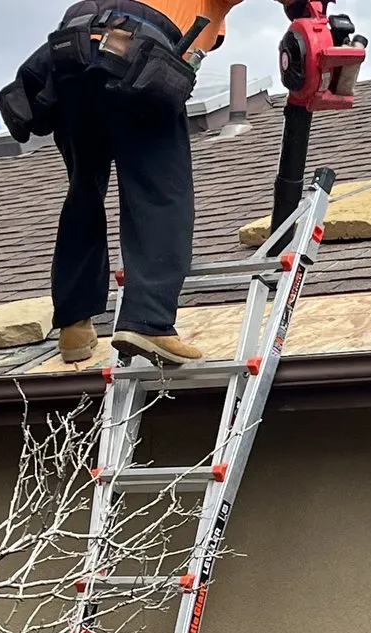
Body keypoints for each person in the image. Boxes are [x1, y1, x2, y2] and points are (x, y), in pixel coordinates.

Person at [43, 0, 310, 365]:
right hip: (133, 49)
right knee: (161, 193)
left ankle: (74, 324)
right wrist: (308, 10)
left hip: (69, 54)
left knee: (84, 193)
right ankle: (148, 321)